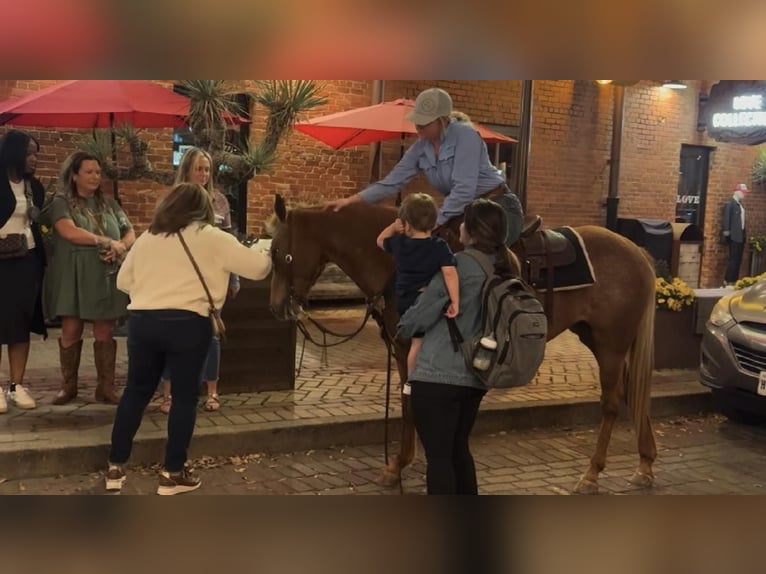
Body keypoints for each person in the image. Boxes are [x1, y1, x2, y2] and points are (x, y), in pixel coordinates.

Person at [107, 182, 272, 495]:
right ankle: (172, 473)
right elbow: (259, 268)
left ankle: (115, 467)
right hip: (188, 323)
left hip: (143, 322)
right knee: (184, 398)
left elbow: (124, 280)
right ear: (204, 209)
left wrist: (154, 290)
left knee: (136, 392)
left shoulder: (148, 237)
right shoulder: (213, 237)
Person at [398, 198, 512, 495]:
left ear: (471, 230)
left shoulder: (458, 264)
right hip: (475, 376)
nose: (458, 226)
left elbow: (417, 318)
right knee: (458, 451)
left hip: (437, 375)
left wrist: (404, 322)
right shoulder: (501, 266)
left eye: (463, 222)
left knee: (437, 458)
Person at [326, 87, 524, 248]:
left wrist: (435, 222)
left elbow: (464, 189)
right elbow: (391, 183)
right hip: (464, 211)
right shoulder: (421, 147)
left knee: (482, 258)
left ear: (442, 121)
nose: (418, 126)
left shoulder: (466, 136)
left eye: (424, 121)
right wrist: (352, 201)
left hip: (497, 207)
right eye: (417, 120)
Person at [42, 151, 135, 405]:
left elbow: (129, 231)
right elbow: (68, 231)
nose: (96, 176)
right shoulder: (61, 202)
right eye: (89, 172)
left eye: (98, 172)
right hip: (74, 272)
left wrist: (121, 246)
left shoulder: (109, 203)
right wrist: (104, 240)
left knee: (105, 329)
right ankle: (68, 387)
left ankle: (105, 387)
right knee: (71, 328)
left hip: (104, 274)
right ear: (74, 175)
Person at [157, 147, 239, 415]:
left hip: (212, 278)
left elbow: (229, 242)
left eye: (207, 169)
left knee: (211, 334)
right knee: (172, 335)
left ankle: (212, 391)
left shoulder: (219, 201)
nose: (203, 174)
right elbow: (160, 238)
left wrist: (234, 276)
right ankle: (169, 395)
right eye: (198, 168)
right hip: (178, 276)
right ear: (187, 170)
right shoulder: (172, 200)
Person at [376, 193, 459, 393]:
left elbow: (379, 241)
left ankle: (411, 382)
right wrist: (455, 301)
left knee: (416, 341)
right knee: (427, 340)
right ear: (433, 222)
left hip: (405, 302)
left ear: (406, 223)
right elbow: (449, 273)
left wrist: (393, 228)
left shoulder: (399, 244)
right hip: (428, 301)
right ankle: (428, 377)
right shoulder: (439, 247)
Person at [0, 130, 47, 413]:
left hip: (26, 259)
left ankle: (17, 386)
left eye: (36, 154)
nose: (34, 159)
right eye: (29, 153)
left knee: (20, 323)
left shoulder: (35, 187)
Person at [722, 183, 749, 286]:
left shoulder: (740, 204)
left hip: (741, 235)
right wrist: (727, 232)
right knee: (733, 259)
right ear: (737, 192)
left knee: (738, 259)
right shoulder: (731, 204)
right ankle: (728, 280)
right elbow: (726, 218)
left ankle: (734, 280)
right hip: (734, 235)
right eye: (743, 192)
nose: (744, 194)